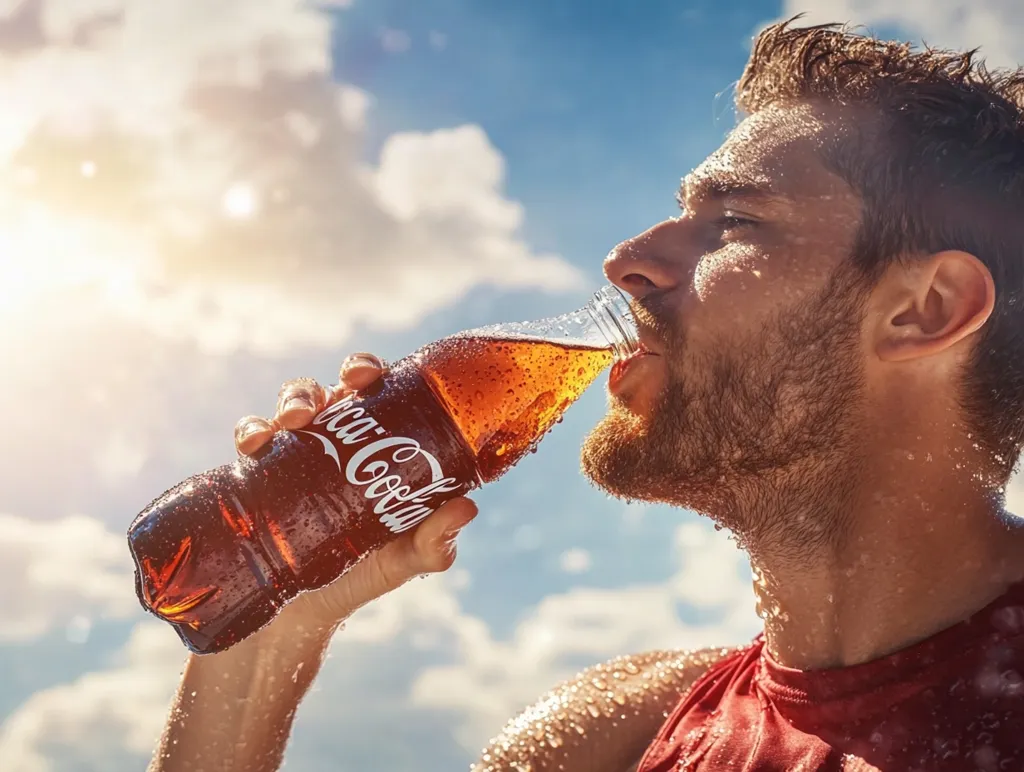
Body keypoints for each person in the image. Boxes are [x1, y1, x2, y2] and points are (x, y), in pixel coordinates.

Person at [148, 19, 1024, 772]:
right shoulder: (619, 732)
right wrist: (271, 627)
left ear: (924, 310)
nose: (625, 258)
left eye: (735, 223)